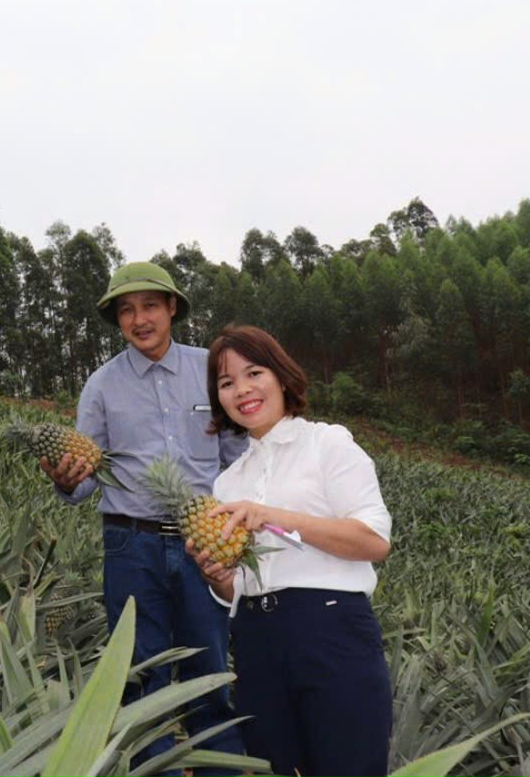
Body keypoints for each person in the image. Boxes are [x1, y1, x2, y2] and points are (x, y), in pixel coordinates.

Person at [41, 262, 246, 777]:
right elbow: (86, 478)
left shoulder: (211, 369)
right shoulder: (101, 386)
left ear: (172, 307)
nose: (139, 319)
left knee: (210, 665)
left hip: (207, 543)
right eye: (127, 310)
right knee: (139, 671)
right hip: (131, 544)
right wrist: (66, 479)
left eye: (150, 305)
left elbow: (236, 458)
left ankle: (221, 767)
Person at [189, 323, 393, 777]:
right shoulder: (227, 482)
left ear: (281, 376)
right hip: (255, 639)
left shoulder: (327, 443)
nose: (242, 390)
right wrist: (217, 577)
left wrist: (274, 516)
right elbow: (237, 586)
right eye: (226, 382)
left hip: (330, 626)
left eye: (253, 372)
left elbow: (373, 541)